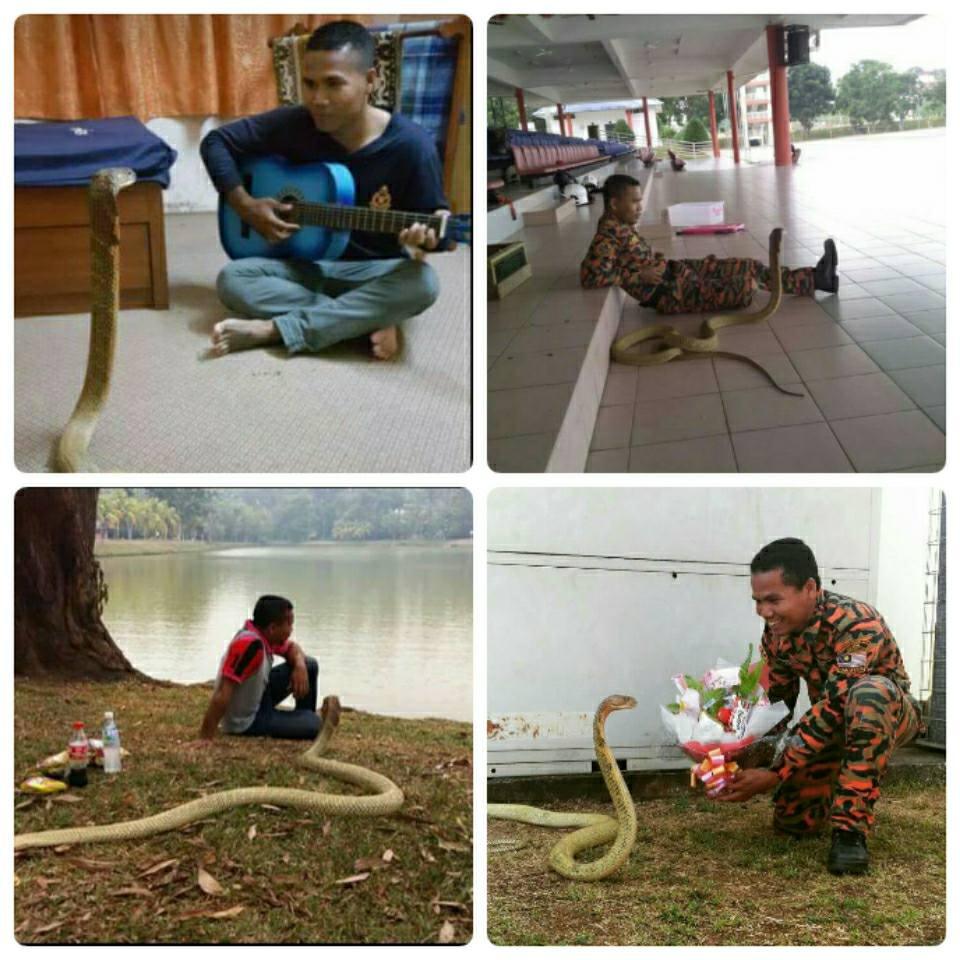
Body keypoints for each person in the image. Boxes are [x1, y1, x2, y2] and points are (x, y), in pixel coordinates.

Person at [200, 20, 449, 361]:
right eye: (310, 84)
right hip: (301, 265)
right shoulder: (295, 123)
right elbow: (216, 142)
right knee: (233, 278)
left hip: (371, 271)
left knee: (423, 283)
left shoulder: (412, 147)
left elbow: (434, 226)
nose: (318, 99)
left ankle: (279, 330)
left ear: (370, 80)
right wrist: (244, 204)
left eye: (334, 85)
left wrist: (426, 238)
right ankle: (361, 319)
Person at [716, 538, 922, 876]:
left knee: (867, 693)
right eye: (757, 601)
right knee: (794, 822)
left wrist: (777, 772)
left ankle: (850, 832)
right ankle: (829, 790)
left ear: (809, 588)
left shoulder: (857, 624)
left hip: (887, 714)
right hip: (829, 727)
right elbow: (778, 707)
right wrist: (733, 752)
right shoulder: (777, 634)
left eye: (773, 600)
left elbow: (839, 700)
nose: (764, 612)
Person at [579, 174, 839, 314]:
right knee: (746, 285)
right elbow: (589, 276)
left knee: (748, 265)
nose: (640, 206)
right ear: (614, 204)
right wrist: (638, 274)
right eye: (634, 202)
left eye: (639, 200)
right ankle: (814, 280)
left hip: (676, 271)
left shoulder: (620, 227)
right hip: (671, 294)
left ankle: (817, 278)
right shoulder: (607, 236)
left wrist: (649, 261)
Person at [197, 595, 340, 741]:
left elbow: (292, 648)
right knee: (316, 725)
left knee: (309, 665)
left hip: (259, 698)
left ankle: (302, 717)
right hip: (247, 720)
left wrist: (299, 665)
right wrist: (205, 738)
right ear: (272, 628)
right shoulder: (249, 645)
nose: (291, 629)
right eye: (289, 624)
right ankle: (304, 720)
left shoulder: (264, 636)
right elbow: (223, 693)